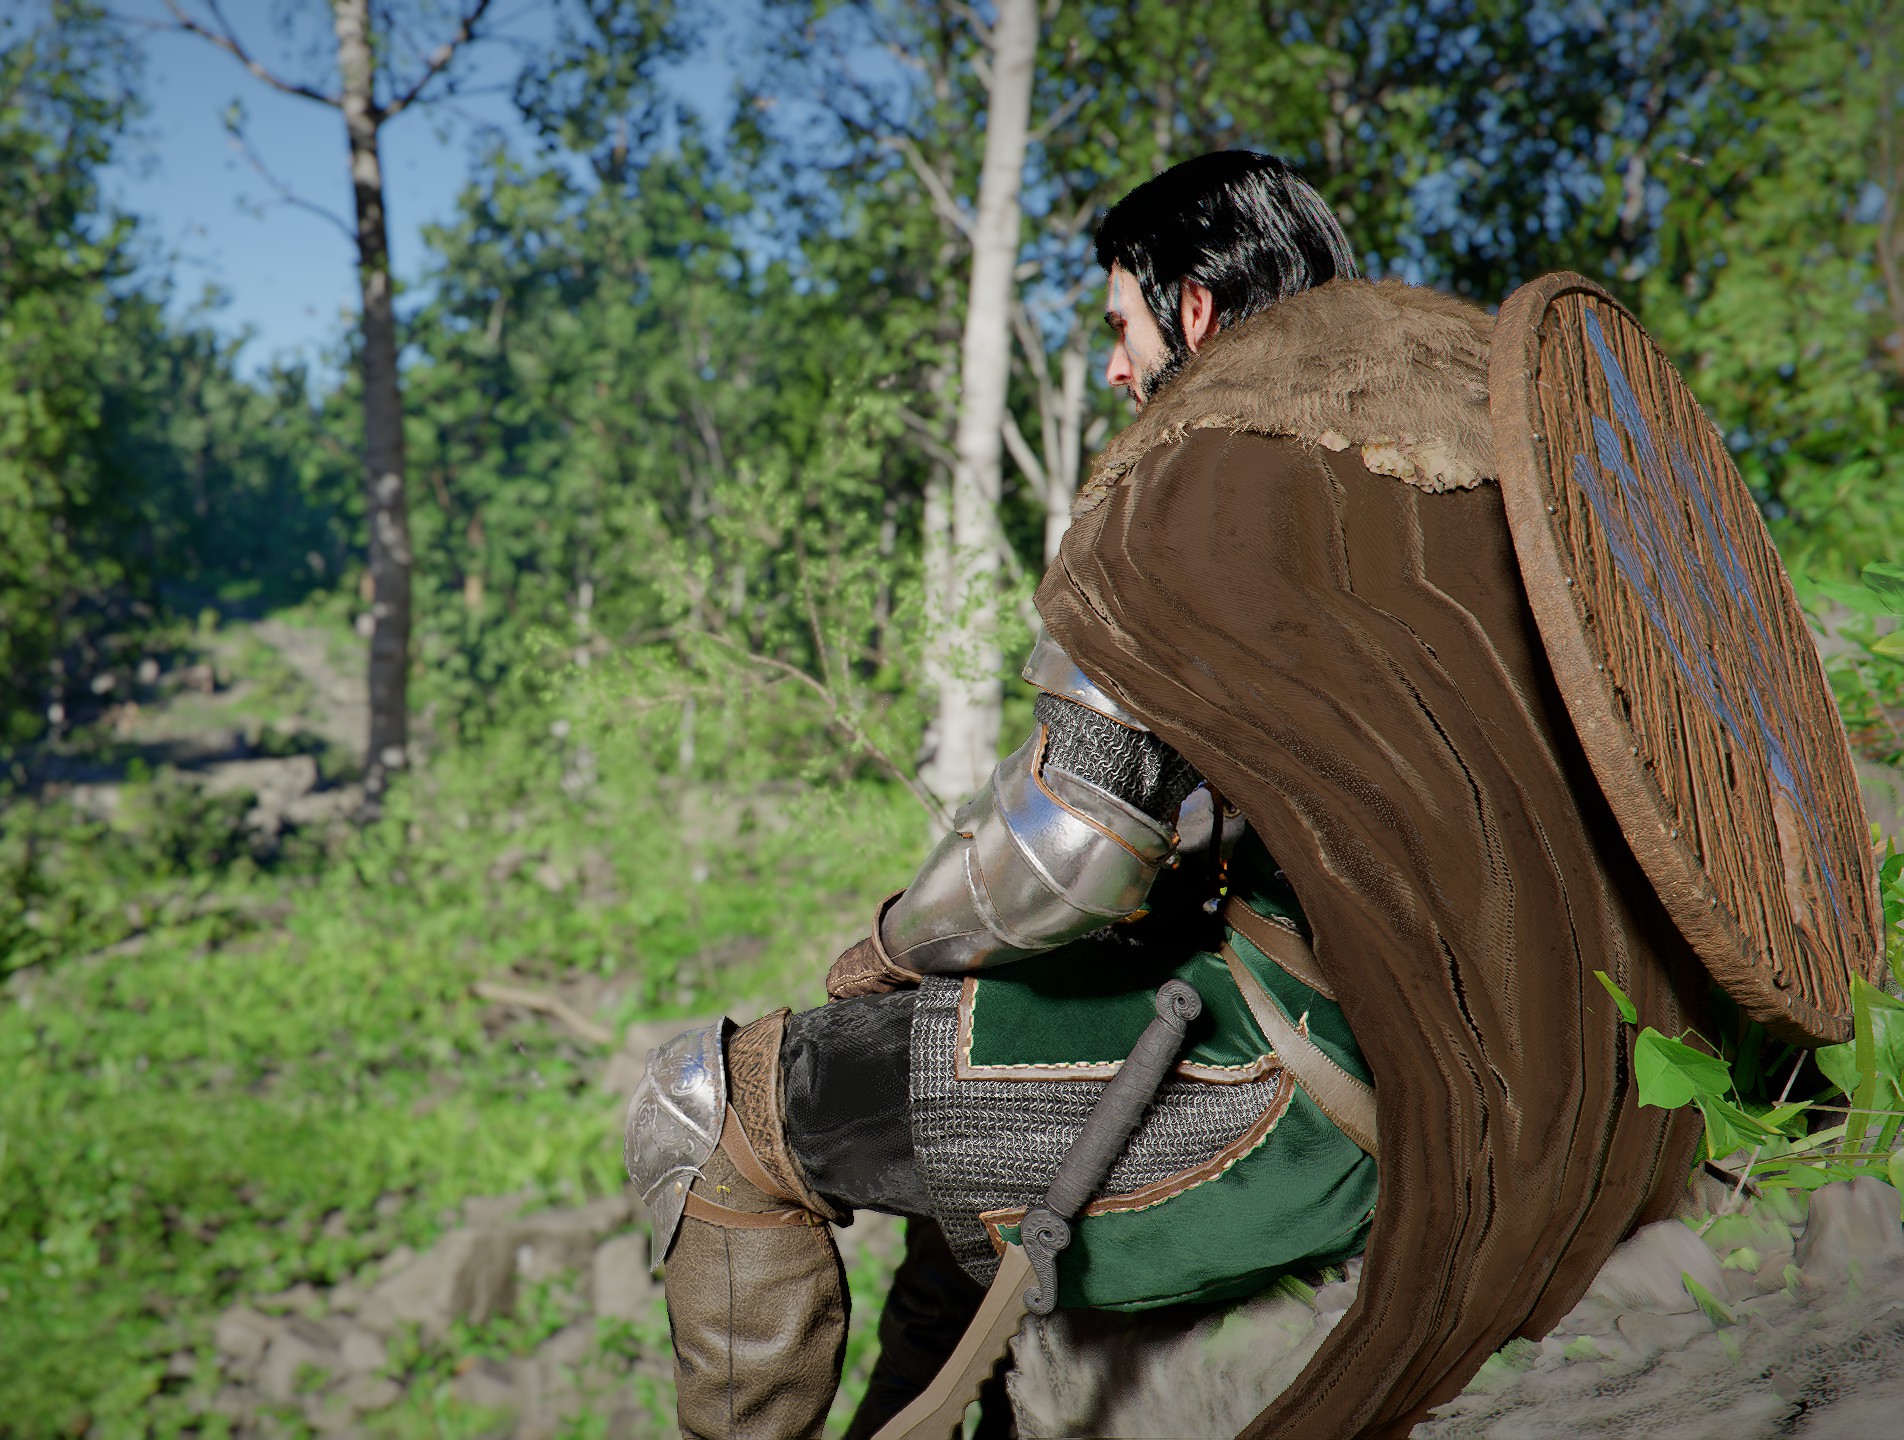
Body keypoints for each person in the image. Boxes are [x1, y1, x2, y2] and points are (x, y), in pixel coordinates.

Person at [625, 150, 1706, 1440]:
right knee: (942, 1144)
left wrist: (892, 939)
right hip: (1597, 1084)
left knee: (710, 1104)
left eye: (1122, 329)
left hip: (1317, 1102)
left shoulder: (1201, 483)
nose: (1122, 372)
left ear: (1192, 308)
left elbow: (1075, 848)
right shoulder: (1491, 452)